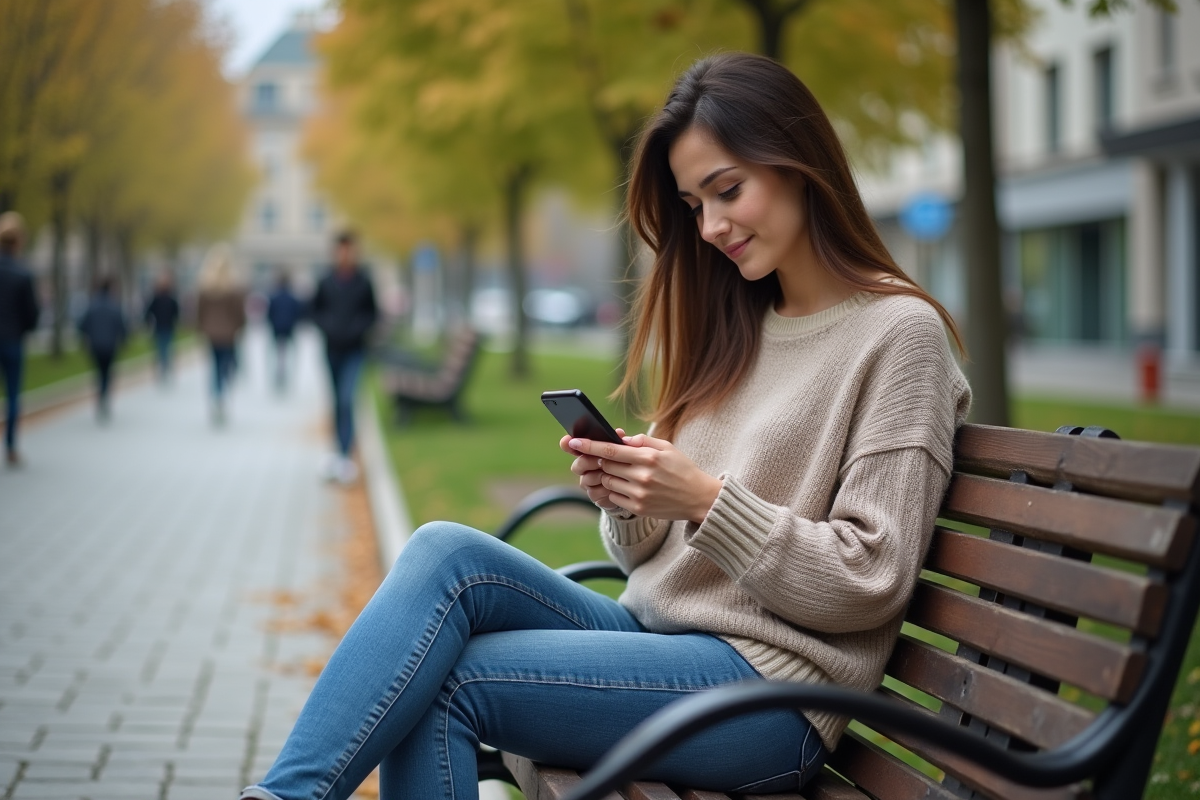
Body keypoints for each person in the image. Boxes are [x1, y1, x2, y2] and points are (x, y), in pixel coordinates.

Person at [239, 53, 971, 800]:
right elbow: (644, 558)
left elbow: (871, 578)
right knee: (442, 553)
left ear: (800, 163)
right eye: (693, 205)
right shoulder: (739, 323)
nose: (712, 227)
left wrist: (704, 500)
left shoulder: (898, 334)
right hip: (659, 637)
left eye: (728, 191)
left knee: (446, 682)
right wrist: (626, 497)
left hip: (767, 697)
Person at [310, 230, 377, 485]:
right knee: (337, 400)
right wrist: (329, 327)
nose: (345, 254)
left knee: (348, 398)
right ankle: (338, 449)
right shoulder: (326, 281)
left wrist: (357, 329)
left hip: (355, 350)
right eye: (341, 249)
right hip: (332, 349)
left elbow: (372, 313)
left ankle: (346, 453)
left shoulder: (363, 281)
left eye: (350, 249)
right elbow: (315, 311)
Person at [0, 211, 40, 465]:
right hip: (13, 340)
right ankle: (11, 447)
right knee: (13, 395)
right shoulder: (23, 274)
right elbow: (32, 314)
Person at [196, 244, 246, 425]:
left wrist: (201, 328)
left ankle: (216, 396)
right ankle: (222, 396)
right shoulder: (233, 287)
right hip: (229, 334)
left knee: (214, 368)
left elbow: (199, 312)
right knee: (226, 367)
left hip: (211, 334)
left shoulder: (205, 287)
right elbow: (239, 313)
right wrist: (240, 328)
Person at [76, 276, 128, 422]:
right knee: (107, 373)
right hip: (111, 346)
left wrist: (86, 339)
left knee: (99, 373)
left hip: (96, 346)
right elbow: (122, 326)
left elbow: (82, 326)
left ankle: (101, 397)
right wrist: (123, 341)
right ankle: (104, 397)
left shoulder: (92, 306)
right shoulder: (114, 306)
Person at [266, 269, 304, 391]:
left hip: (277, 329)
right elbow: (298, 314)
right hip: (289, 329)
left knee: (276, 354)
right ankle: (286, 375)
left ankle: (278, 375)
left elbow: (269, 314)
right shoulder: (293, 298)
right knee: (290, 354)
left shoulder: (273, 297)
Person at [143, 271, 181, 384]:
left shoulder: (158, 299)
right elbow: (176, 314)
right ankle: (165, 367)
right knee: (165, 349)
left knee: (162, 349)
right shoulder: (168, 299)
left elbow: (147, 313)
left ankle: (164, 367)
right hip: (165, 327)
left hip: (162, 328)